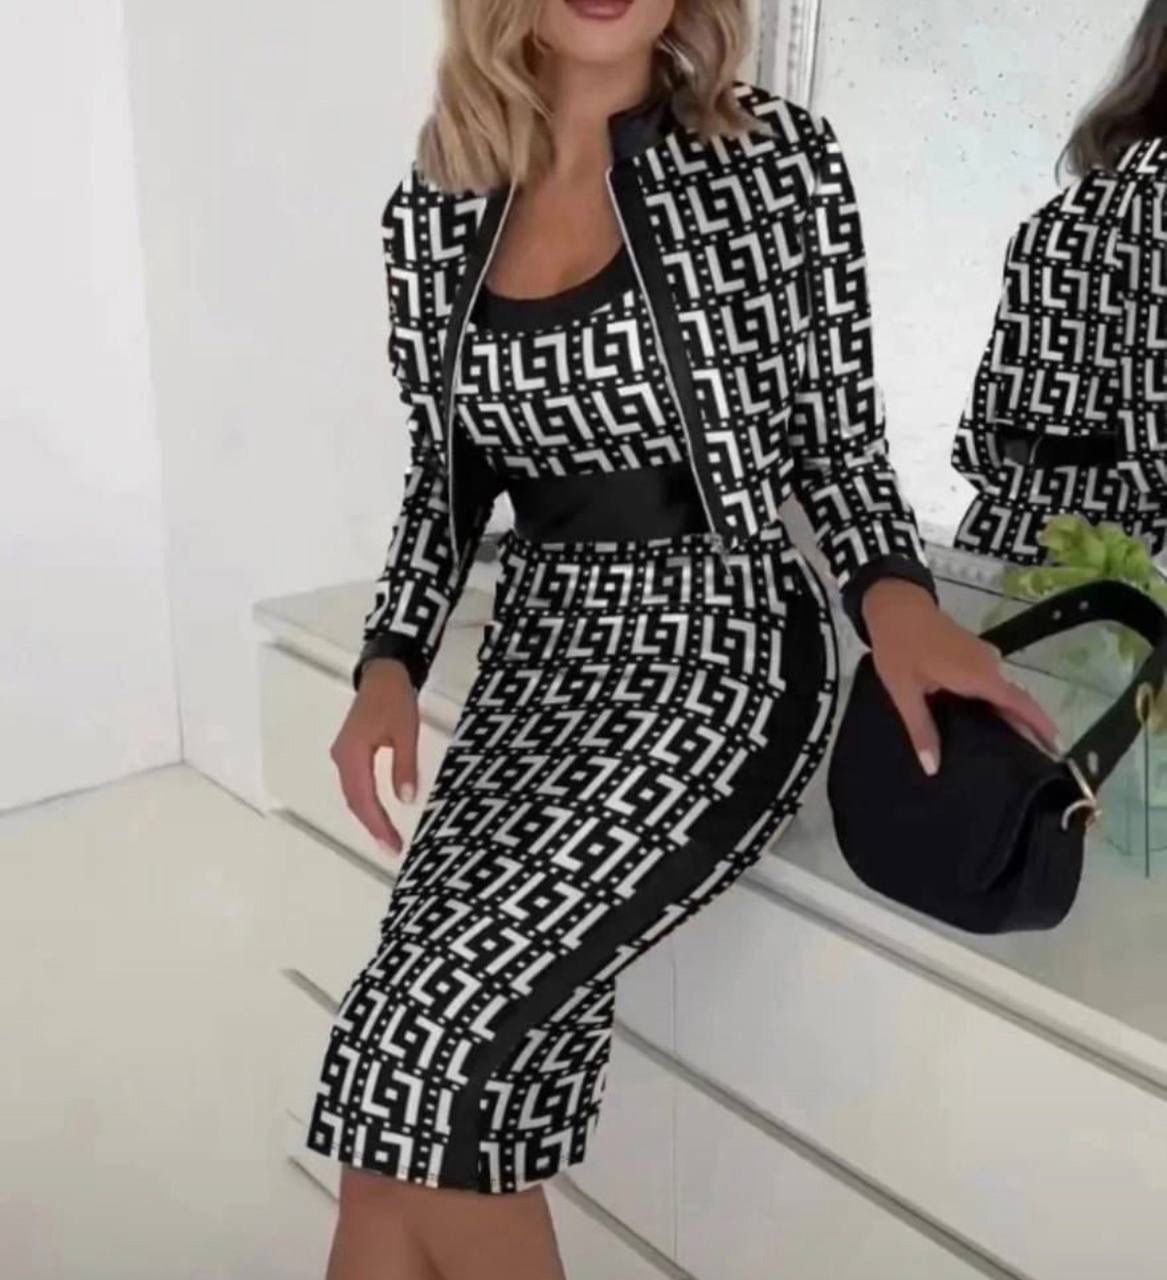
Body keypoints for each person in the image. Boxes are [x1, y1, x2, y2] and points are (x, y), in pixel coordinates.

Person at [312, 2, 1059, 1277]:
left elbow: (836, 440)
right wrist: (389, 660)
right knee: (403, 1101)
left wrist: (896, 598)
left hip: (720, 649)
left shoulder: (774, 162)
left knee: (423, 1046)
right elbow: (444, 483)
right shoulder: (436, 207)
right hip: (539, 663)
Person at [951, 0, 1167, 564]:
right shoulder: (1157, 194)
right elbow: (1155, 443)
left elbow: (978, 440)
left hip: (1015, 534)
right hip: (1111, 563)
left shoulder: (1087, 196)